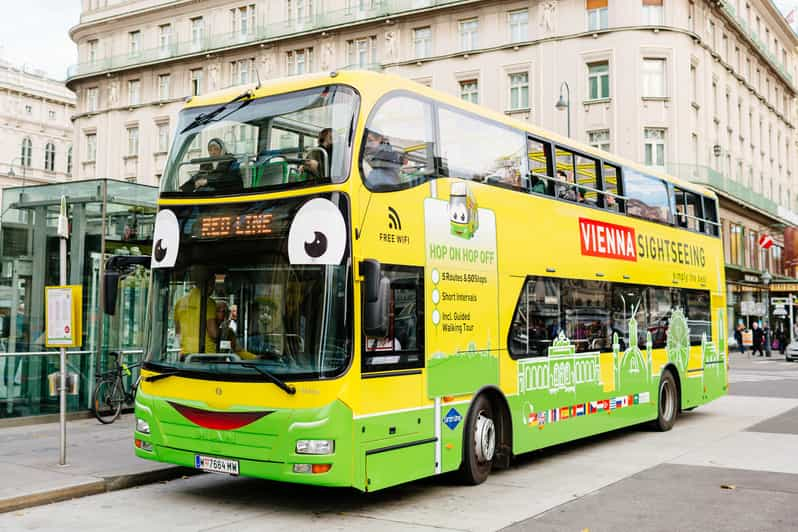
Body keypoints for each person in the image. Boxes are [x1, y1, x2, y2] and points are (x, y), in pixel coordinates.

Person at [173, 268, 219, 357]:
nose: (213, 288)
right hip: (205, 355)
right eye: (213, 284)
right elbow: (213, 333)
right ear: (208, 283)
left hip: (185, 353)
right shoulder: (209, 302)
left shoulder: (180, 302)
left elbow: (178, 331)